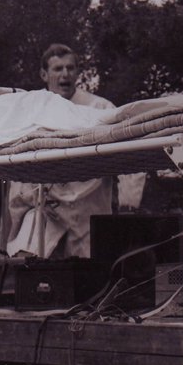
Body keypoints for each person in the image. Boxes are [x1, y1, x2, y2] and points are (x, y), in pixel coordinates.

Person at [6, 44, 116, 258]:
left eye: (70, 68)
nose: (65, 74)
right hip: (46, 209)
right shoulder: (32, 111)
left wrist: (131, 198)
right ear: (44, 74)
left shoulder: (100, 109)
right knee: (37, 272)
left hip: (88, 208)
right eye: (58, 69)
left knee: (87, 274)